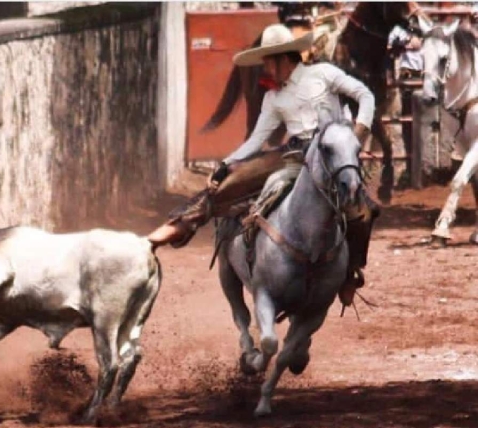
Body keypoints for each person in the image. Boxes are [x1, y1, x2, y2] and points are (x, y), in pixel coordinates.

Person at [148, 24, 379, 307]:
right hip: (294, 155)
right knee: (230, 182)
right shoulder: (274, 98)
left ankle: (349, 274)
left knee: (365, 213)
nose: (265, 69)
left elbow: (364, 95)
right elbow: (257, 139)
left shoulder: (324, 74)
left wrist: (356, 134)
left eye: (267, 62)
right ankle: (181, 223)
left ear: (282, 58)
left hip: (332, 154)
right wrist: (225, 164)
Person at [388, 24, 423, 173]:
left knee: (428, 125)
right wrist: (406, 40)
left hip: (426, 76)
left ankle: (425, 168)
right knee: (407, 124)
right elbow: (390, 43)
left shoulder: (426, 21)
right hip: (407, 77)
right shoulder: (398, 27)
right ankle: (410, 168)